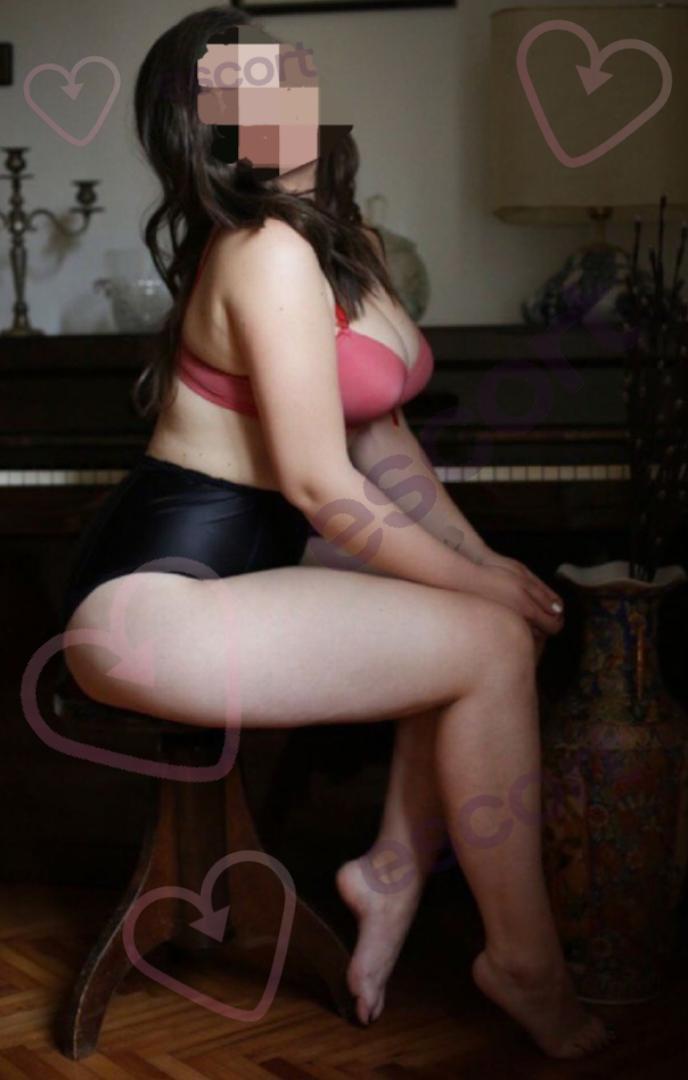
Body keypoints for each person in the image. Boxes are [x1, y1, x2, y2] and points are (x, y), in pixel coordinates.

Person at [60, 5, 611, 1059]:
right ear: (210, 127)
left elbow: (383, 443)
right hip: (155, 595)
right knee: (490, 640)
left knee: (484, 618)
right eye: (250, 79)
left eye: (285, 63)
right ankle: (520, 961)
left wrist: (483, 561)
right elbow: (319, 484)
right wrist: (482, 589)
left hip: (247, 564)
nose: (288, 79)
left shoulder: (338, 240)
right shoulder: (261, 248)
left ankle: (391, 872)